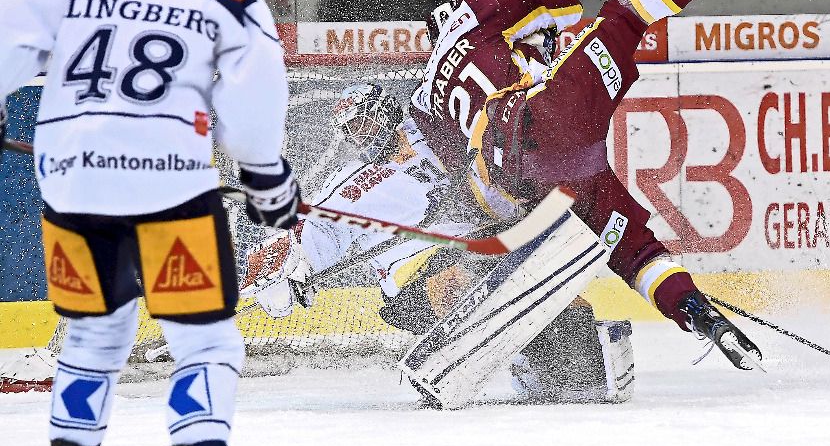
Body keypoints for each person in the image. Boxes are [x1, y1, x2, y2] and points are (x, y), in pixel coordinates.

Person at [408, 0, 772, 386]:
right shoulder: (481, 5)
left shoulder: (426, 100)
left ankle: (690, 316)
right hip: (544, 121)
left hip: (521, 183)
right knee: (626, 14)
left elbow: (460, 173)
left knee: (622, 245)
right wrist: (557, 44)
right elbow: (562, 4)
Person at [0, 0, 299, 446]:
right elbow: (253, 106)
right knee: (205, 340)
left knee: (93, 332)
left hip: (72, 183)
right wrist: (267, 181)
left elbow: (8, 33)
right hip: (171, 187)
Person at [241, 82, 635, 403]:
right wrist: (293, 257)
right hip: (414, 277)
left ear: (383, 112)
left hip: (477, 242)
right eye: (353, 133)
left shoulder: (430, 134)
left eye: (364, 124)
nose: (363, 137)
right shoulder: (355, 179)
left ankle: (568, 367)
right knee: (456, 280)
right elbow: (322, 224)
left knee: (545, 287)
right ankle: (451, 348)